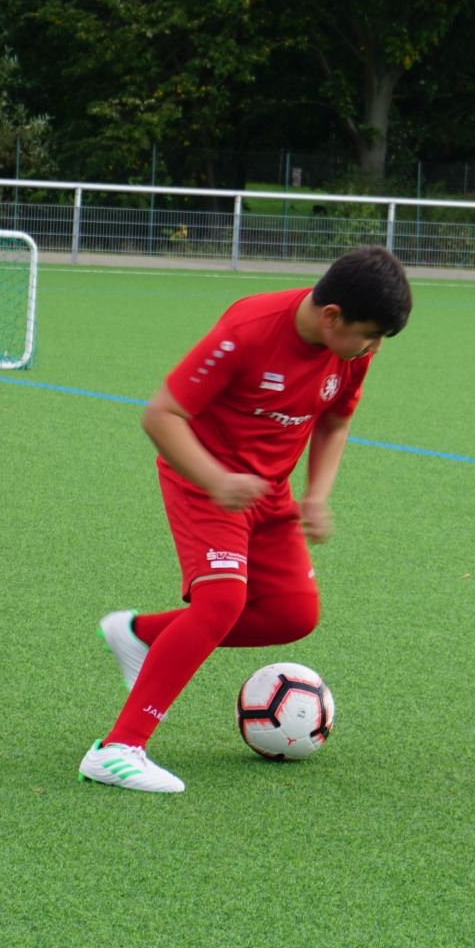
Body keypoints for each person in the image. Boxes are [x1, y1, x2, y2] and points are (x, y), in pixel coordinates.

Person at [80, 246, 413, 793]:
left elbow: (334, 421)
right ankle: (119, 748)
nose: (374, 348)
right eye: (370, 336)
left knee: (292, 614)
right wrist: (216, 481)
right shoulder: (249, 331)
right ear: (332, 316)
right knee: (221, 602)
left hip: (268, 491)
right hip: (204, 478)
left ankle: (140, 636)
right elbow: (161, 415)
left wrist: (316, 495)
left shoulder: (350, 354)